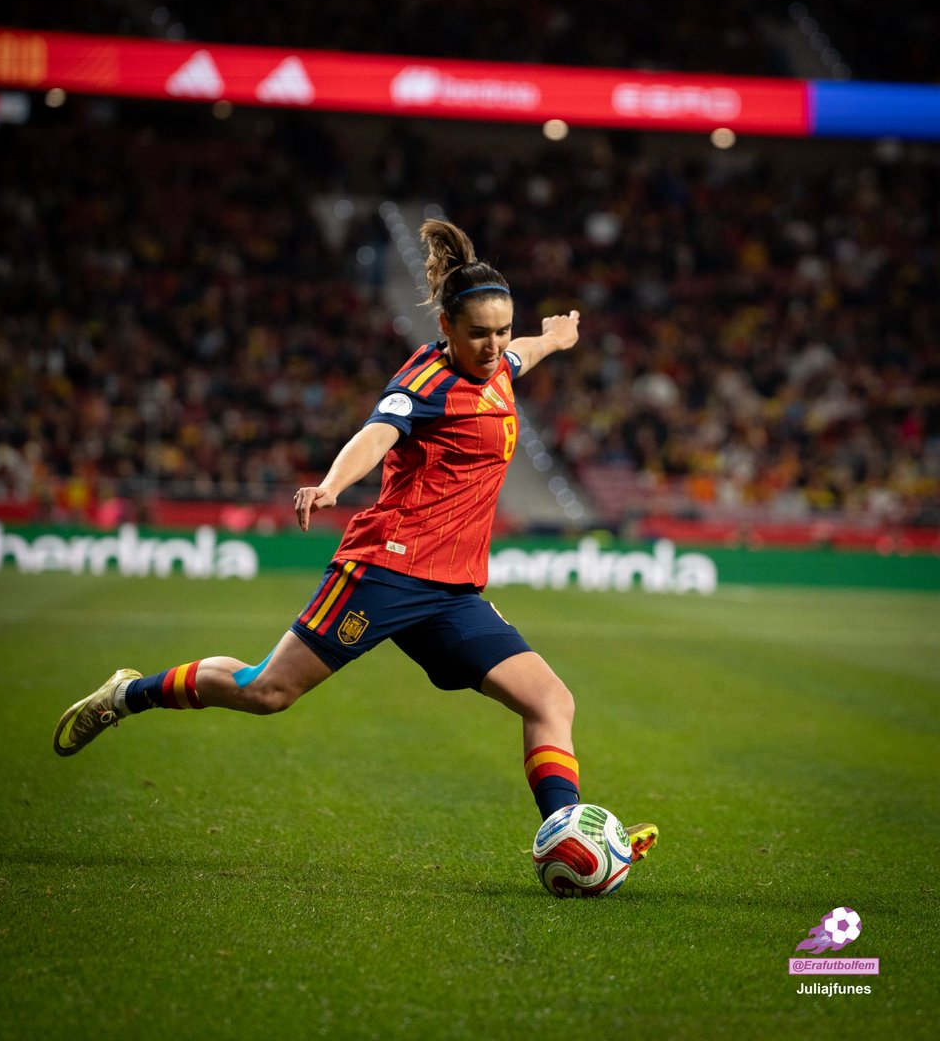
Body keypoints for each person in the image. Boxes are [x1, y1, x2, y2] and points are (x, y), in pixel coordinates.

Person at [52, 218, 658, 860]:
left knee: (549, 699)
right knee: (267, 691)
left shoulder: (497, 366)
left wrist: (553, 338)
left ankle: (568, 835)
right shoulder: (425, 386)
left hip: (452, 592)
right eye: (478, 333)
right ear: (447, 329)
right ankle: (126, 694)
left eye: (501, 330)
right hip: (386, 571)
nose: (492, 345)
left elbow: (518, 358)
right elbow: (377, 433)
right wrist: (331, 484)